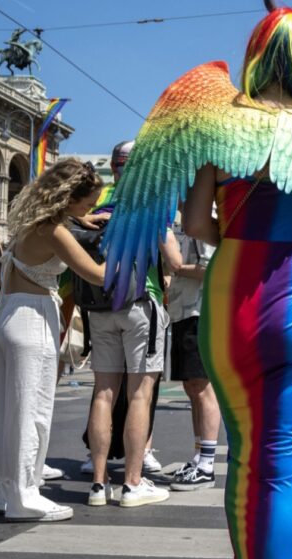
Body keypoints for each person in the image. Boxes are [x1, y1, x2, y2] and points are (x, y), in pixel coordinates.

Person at [100, 8, 292, 559]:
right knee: (284, 464)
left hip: (231, 295)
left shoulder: (214, 115)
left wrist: (239, 234)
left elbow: (193, 225)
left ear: (257, 54)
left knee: (242, 456)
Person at [0, 159, 106, 522]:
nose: (89, 211)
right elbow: (98, 275)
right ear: (69, 198)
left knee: (10, 410)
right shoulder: (55, 232)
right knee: (33, 411)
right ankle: (25, 495)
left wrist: (78, 220)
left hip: (6, 312)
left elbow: (61, 225)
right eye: (87, 204)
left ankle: (7, 490)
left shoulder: (31, 222)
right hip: (32, 316)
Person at [84, 140, 182, 508]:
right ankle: (132, 483)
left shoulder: (100, 206)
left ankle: (97, 484)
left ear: (114, 167)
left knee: (103, 393)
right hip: (141, 304)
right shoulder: (151, 208)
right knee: (139, 394)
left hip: (101, 306)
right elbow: (172, 260)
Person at [167, 227, 220, 491]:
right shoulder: (189, 224)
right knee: (192, 387)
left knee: (202, 386)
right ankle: (199, 456)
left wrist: (177, 266)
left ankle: (207, 465)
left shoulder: (201, 225)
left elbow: (212, 269)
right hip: (184, 309)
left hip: (199, 310)